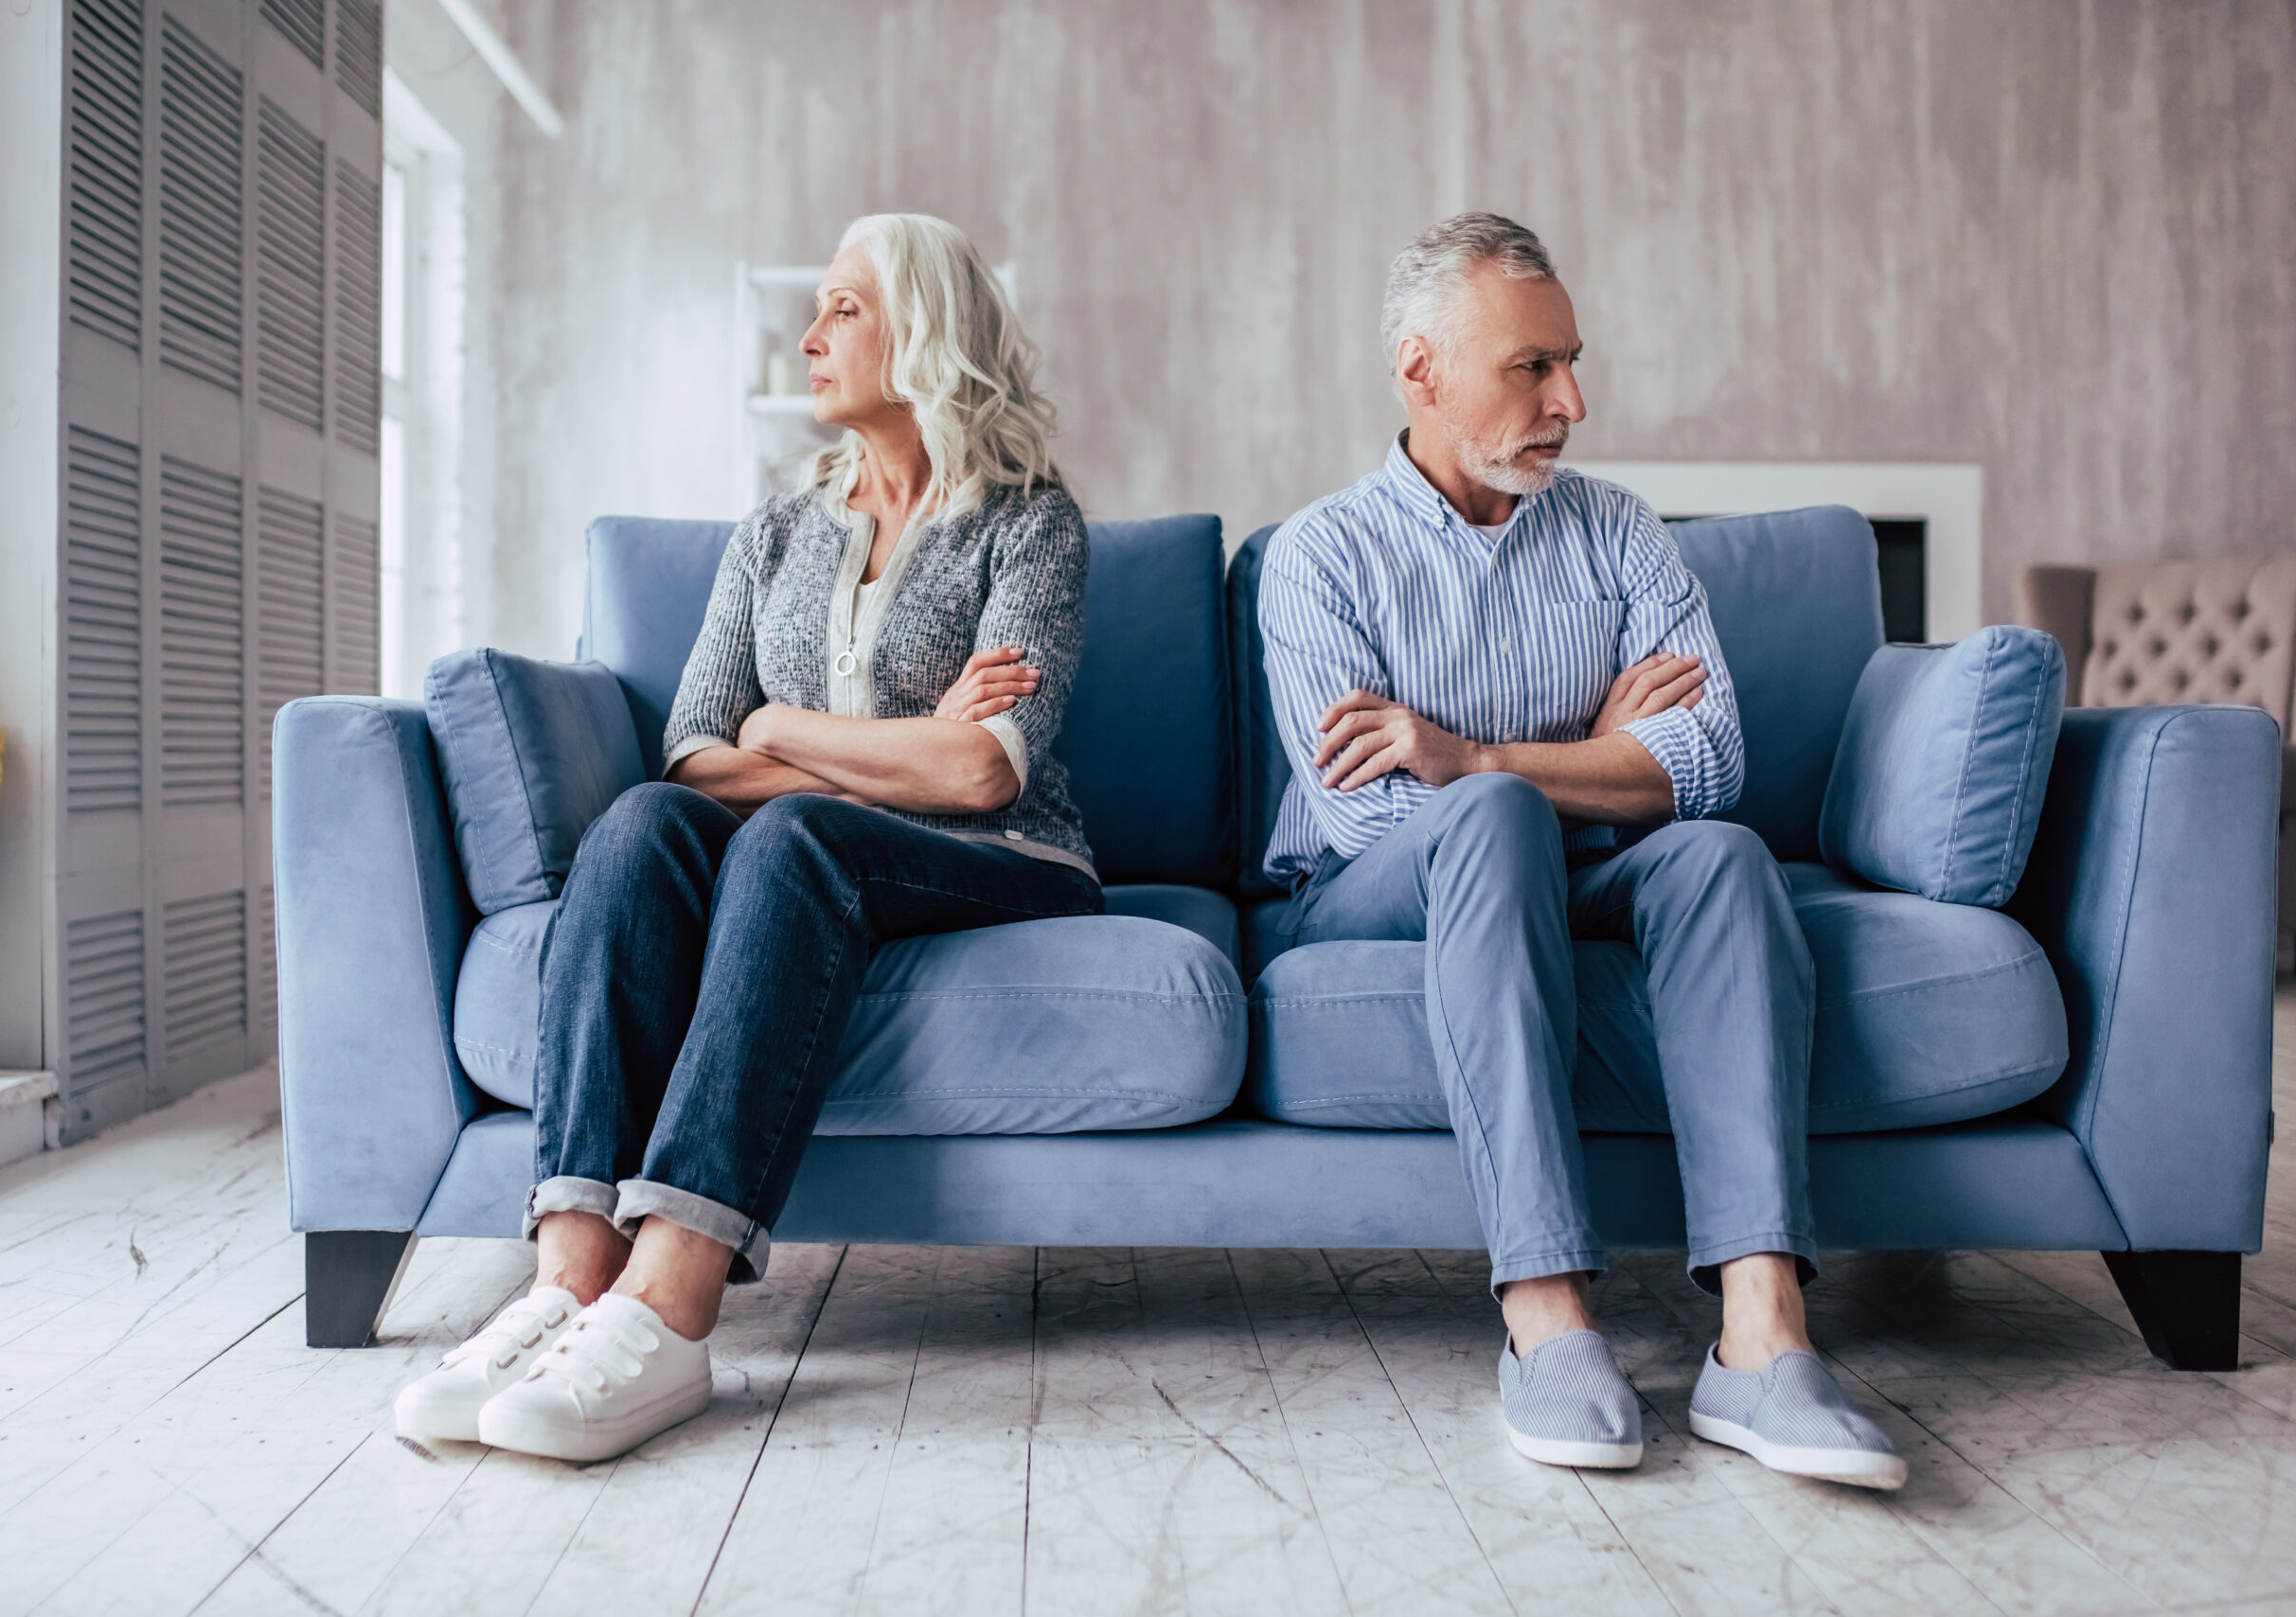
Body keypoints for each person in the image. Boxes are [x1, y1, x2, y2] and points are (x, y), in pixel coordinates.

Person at [394, 214, 1102, 1463]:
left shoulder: (1031, 527)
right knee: (643, 823)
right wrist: (870, 743)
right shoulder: (775, 532)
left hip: (1009, 865)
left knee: (794, 839)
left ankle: (671, 1306)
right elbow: (692, 750)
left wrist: (785, 729)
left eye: (843, 309)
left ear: (922, 333)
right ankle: (568, 1273)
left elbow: (986, 774)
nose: (809, 334)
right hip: (839, 833)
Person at [1258, 213, 1905, 1489]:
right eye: (1532, 368)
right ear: (1420, 370)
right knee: (1485, 823)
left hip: (1552, 858)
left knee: (1717, 855)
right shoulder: (1320, 557)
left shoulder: (1619, 532)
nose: (1575, 400)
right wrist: (1596, 765)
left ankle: (1761, 1342)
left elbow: (1711, 760)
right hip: (1362, 897)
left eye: (1572, 361)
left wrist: (1477, 754)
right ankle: (1548, 1318)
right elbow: (1377, 816)